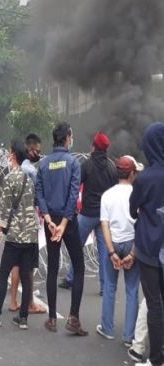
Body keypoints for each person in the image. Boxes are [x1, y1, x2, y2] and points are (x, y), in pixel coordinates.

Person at [0, 140, 39, 330]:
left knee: (3, 273)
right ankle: (23, 318)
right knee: (27, 276)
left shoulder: (10, 179)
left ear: (12, 155)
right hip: (30, 235)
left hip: (15, 236)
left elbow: (5, 211)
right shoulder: (28, 179)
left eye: (9, 153)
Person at [36, 122, 88, 335]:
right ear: (67, 138)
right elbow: (73, 194)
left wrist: (49, 220)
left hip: (51, 222)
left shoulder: (44, 163)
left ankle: (52, 319)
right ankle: (73, 318)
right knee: (79, 266)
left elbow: (39, 193)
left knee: (53, 267)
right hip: (68, 221)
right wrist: (65, 223)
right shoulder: (73, 162)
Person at [60, 132, 118, 293]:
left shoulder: (87, 165)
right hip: (104, 217)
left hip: (87, 214)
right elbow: (115, 191)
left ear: (94, 147)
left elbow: (76, 184)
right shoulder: (112, 167)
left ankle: (71, 278)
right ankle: (104, 286)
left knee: (76, 247)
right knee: (104, 252)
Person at [95, 155, 143, 347]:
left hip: (113, 242)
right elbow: (141, 225)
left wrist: (111, 252)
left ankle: (107, 328)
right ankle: (128, 336)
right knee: (132, 290)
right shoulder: (137, 194)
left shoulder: (107, 195)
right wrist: (133, 253)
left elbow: (104, 225)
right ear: (132, 173)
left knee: (109, 286)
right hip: (132, 243)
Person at [130, 122, 164, 366]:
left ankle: (156, 358)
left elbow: (133, 209)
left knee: (154, 304)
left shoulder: (145, 178)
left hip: (148, 250)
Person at [8, 133, 46, 314]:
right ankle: (30, 303)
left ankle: (13, 301)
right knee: (29, 265)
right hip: (29, 224)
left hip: (16, 223)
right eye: (37, 151)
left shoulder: (15, 170)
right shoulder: (31, 171)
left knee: (15, 264)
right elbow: (38, 196)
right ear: (30, 150)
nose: (39, 154)